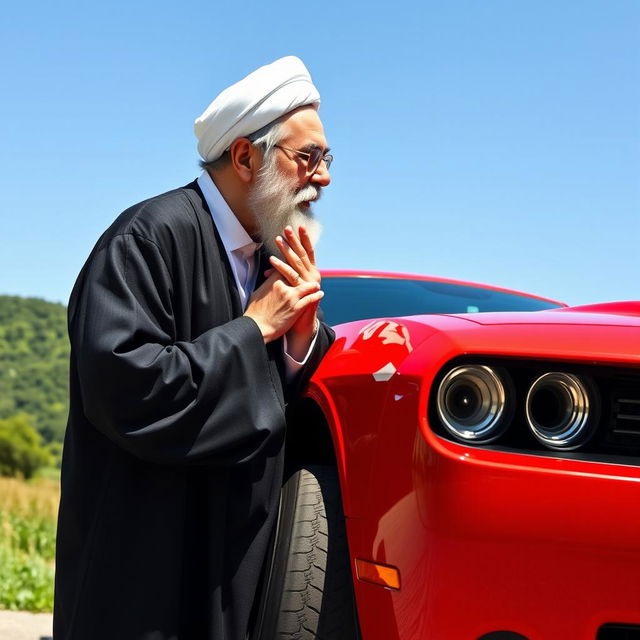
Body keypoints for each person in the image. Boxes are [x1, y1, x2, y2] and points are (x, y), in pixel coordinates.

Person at [53, 56, 335, 640]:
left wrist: (299, 342)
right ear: (244, 156)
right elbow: (127, 387)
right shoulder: (148, 237)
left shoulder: (269, 257)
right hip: (142, 575)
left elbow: (288, 416)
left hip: (231, 575)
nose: (323, 177)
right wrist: (253, 330)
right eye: (307, 158)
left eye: (325, 160)